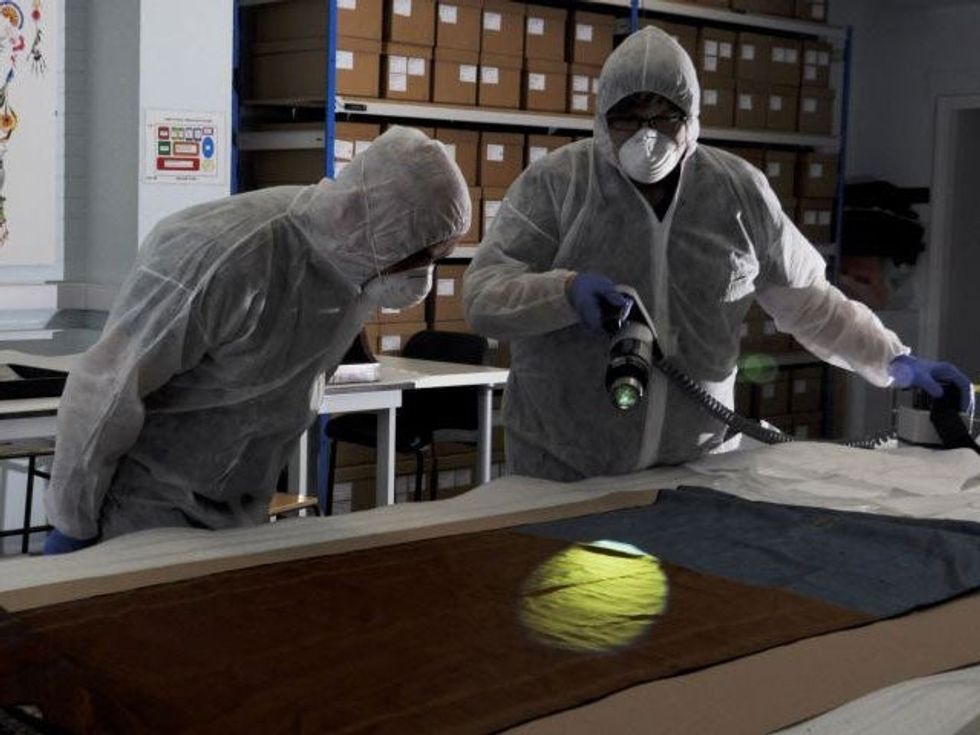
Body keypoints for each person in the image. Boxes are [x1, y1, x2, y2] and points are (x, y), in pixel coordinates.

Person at [463, 26, 972, 483]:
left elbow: (812, 305)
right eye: (628, 118)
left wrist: (898, 361)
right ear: (601, 118)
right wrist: (563, 292)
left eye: (665, 116)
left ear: (693, 117)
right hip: (567, 468)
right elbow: (483, 295)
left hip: (700, 469)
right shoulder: (557, 186)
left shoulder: (736, 192)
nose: (647, 134)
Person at [43, 127, 470, 553]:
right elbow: (106, 391)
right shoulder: (223, 255)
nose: (425, 275)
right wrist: (73, 520)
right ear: (381, 234)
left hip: (242, 509)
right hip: (142, 513)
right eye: (425, 258)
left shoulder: (354, 266)